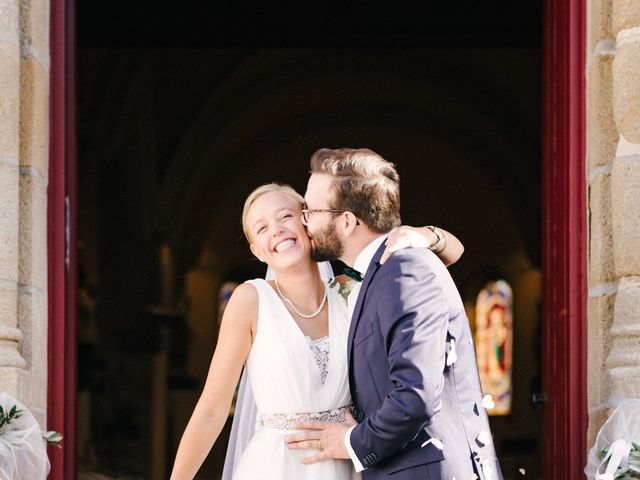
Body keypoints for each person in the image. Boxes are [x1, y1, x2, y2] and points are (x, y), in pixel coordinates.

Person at [170, 182, 464, 479]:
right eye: (261, 228)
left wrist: (423, 235)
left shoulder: (350, 290)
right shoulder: (250, 300)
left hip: (344, 463)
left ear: (308, 220)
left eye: (285, 216)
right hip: (275, 467)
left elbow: (453, 251)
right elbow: (211, 410)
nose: (277, 230)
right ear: (257, 251)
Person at [286, 148, 502, 480]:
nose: (304, 221)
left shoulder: (405, 270)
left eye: (311, 210)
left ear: (346, 221)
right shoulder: (380, 273)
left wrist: (351, 442)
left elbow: (415, 397)